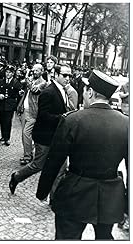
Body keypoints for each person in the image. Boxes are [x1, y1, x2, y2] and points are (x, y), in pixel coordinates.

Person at [36, 70, 128, 240]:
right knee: (105, 237)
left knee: (67, 238)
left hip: (75, 193)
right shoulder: (126, 124)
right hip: (109, 196)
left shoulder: (72, 120)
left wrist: (42, 191)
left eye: (85, 91)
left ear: (90, 92)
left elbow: (54, 160)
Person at [9, 64, 72, 194]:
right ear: (56, 74)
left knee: (61, 167)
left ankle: (54, 198)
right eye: (65, 75)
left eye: (69, 75)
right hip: (44, 137)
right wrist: (62, 118)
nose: (68, 78)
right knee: (38, 164)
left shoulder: (63, 90)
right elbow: (43, 115)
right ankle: (16, 177)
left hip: (57, 136)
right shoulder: (48, 92)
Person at [16, 64, 48, 165]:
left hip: (33, 112)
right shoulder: (31, 80)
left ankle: (28, 156)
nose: (34, 72)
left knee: (26, 133)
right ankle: (28, 151)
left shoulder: (43, 83)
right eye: (33, 70)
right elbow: (26, 90)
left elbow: (34, 89)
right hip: (24, 110)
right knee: (24, 134)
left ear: (42, 71)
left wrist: (26, 76)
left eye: (37, 70)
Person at [0, 65, 22, 146]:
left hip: (10, 105)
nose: (8, 74)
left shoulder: (16, 82)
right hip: (2, 104)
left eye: (10, 72)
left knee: (8, 121)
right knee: (2, 120)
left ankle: (7, 138)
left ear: (13, 73)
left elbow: (19, 93)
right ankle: (3, 136)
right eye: (6, 72)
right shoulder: (1, 81)